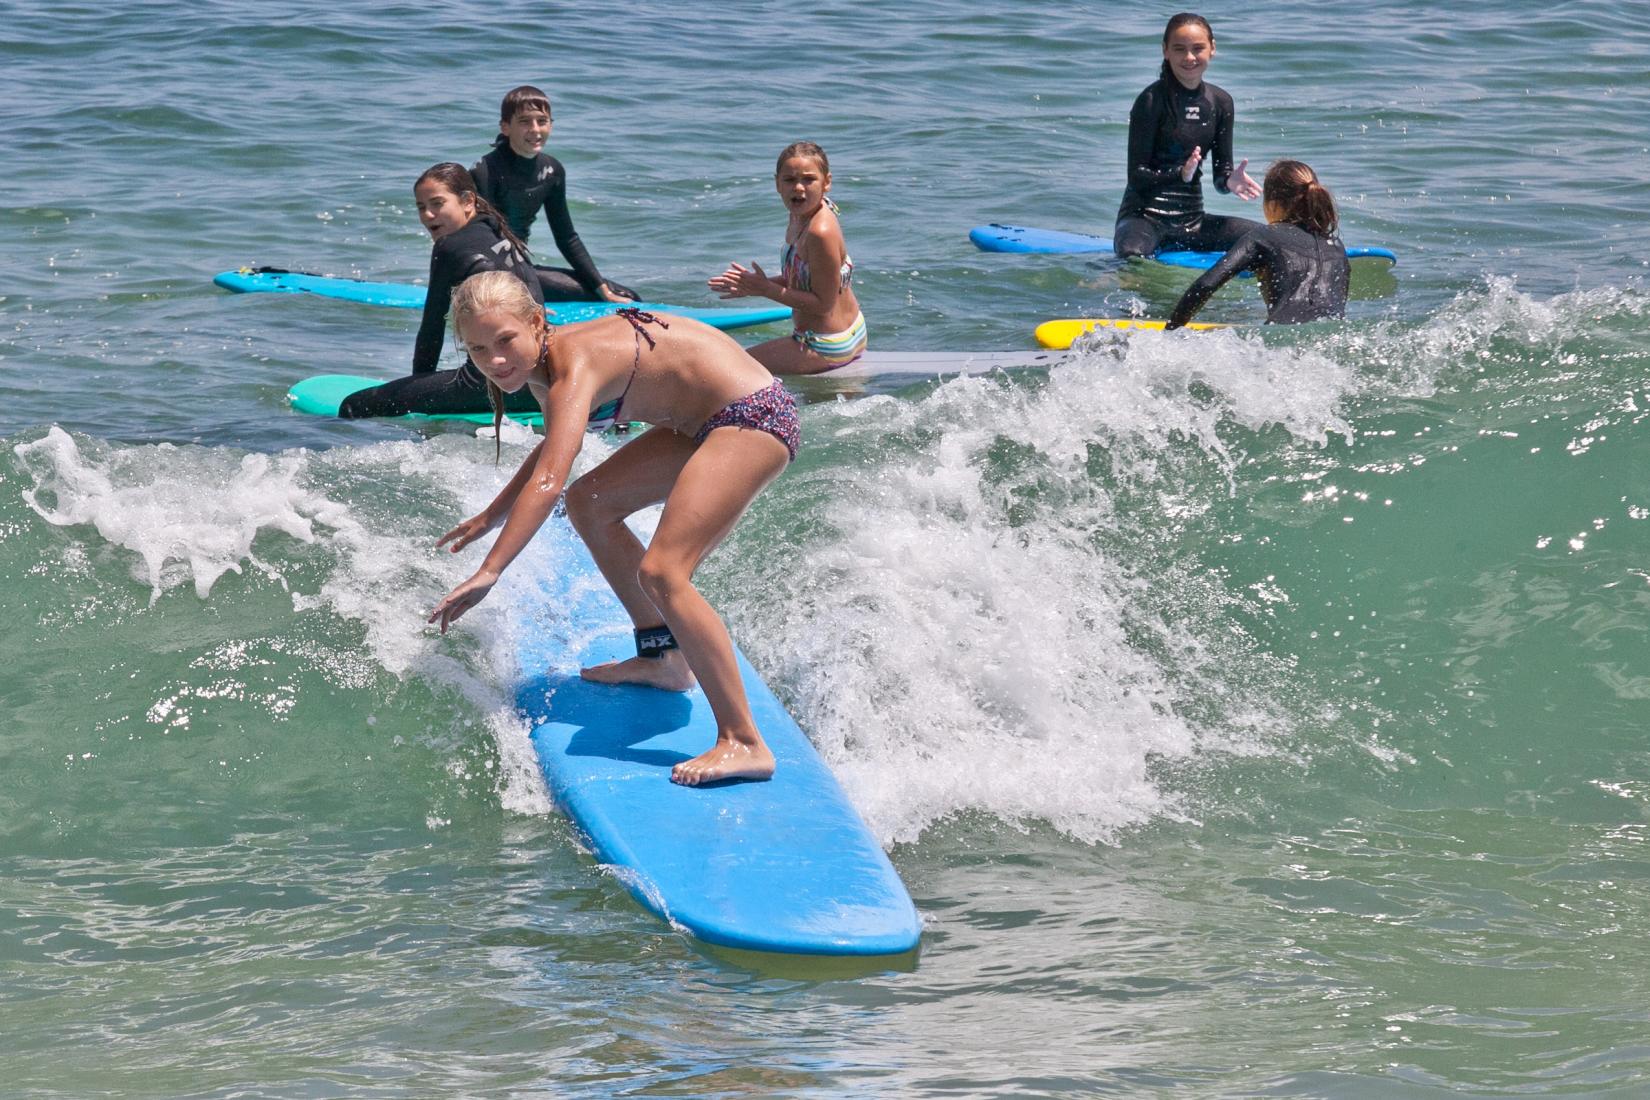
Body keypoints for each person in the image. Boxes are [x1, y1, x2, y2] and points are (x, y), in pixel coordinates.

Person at [428, 270, 799, 786]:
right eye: (478, 348)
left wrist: (491, 570)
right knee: (592, 502)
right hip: (699, 424)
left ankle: (744, 741)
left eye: (506, 340)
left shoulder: (571, 364)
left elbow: (551, 479)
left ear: (538, 323)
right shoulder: (541, 366)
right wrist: (493, 513)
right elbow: (555, 444)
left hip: (753, 417)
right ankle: (664, 658)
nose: (495, 360)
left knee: (664, 572)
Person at [339, 163, 542, 419]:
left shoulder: (449, 247)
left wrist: (414, 393)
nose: (428, 215)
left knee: (354, 405)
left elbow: (431, 330)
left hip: (493, 383)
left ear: (468, 201)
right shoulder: (498, 231)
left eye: (437, 204)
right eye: (421, 207)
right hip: (536, 378)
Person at [1114, 13, 1263, 261]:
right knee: (1131, 255)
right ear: (1165, 51)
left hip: (1192, 222)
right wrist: (1180, 174)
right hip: (1144, 219)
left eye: (1198, 48)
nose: (1189, 57)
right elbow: (1136, 175)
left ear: (1212, 48)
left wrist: (1229, 181)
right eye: (1180, 49)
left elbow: (1220, 174)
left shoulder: (1221, 102)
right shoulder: (1151, 100)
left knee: (1265, 238)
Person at [707, 142, 865, 375]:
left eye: (809, 179)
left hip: (826, 344)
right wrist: (754, 285)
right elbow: (807, 278)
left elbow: (824, 304)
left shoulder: (820, 232)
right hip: (845, 331)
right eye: (790, 180)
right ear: (777, 184)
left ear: (827, 183)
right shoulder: (800, 216)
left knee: (726, 369)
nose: (799, 188)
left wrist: (766, 289)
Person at [471, 85, 638, 304]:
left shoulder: (552, 171)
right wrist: (528, 293)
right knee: (596, 298)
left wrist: (601, 287)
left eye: (542, 121)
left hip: (521, 266)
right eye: (524, 122)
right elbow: (482, 237)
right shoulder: (484, 171)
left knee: (626, 297)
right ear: (505, 127)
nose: (535, 130)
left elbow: (566, 237)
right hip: (488, 270)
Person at [1165, 160, 1351, 328]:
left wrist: (1171, 330)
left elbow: (1206, 285)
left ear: (1273, 204)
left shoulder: (1264, 236)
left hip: (1283, 341)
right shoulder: (1337, 246)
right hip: (1336, 337)